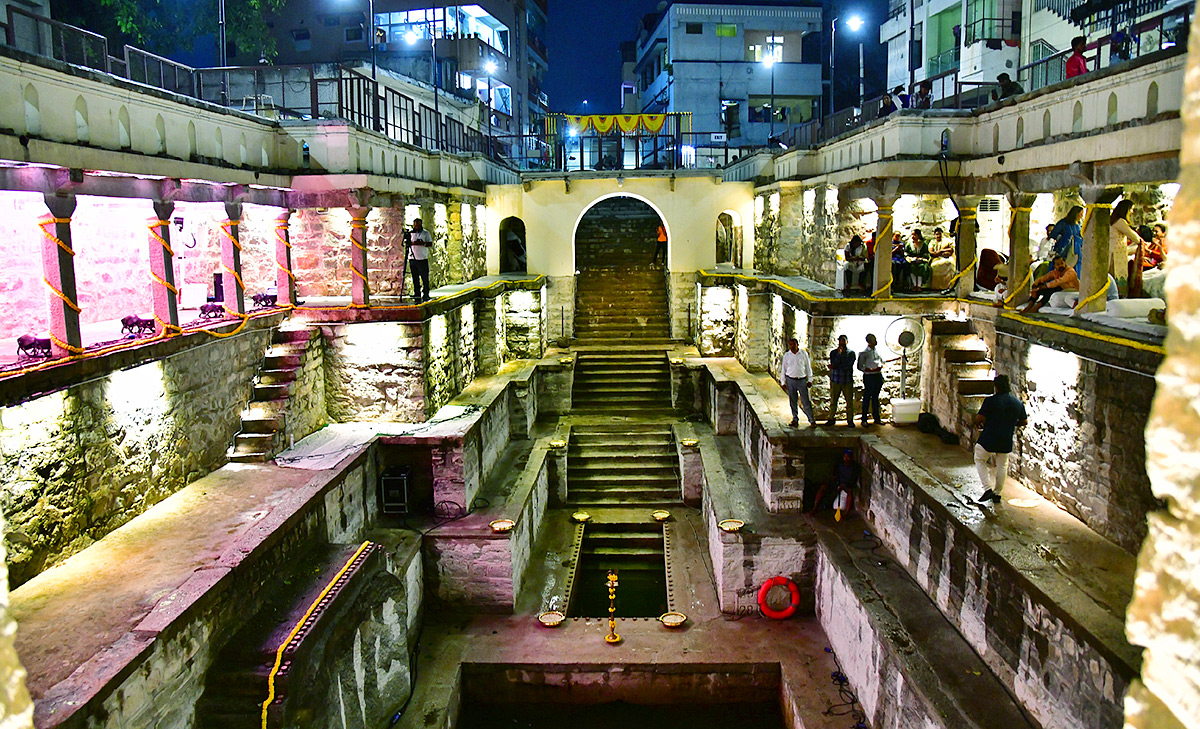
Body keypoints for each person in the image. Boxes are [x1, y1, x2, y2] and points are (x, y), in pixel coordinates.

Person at [973, 375, 1028, 504]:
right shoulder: (1017, 403)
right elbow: (1024, 421)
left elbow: (980, 418)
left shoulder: (991, 401)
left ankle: (987, 489)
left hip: (989, 437)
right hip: (1006, 437)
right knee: (1002, 465)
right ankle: (997, 493)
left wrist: (979, 423)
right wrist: (1010, 423)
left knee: (979, 458)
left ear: (996, 387)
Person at [808, 449, 859, 519]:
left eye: (848, 457)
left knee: (849, 492)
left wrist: (844, 485)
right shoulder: (840, 464)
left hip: (847, 485)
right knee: (823, 487)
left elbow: (853, 481)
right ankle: (815, 507)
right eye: (845, 457)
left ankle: (846, 513)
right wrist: (834, 482)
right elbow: (835, 475)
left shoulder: (854, 467)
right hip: (838, 482)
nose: (846, 459)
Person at [1110, 199, 1143, 297]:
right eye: (1131, 209)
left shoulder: (1114, 220)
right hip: (1115, 253)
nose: (1132, 212)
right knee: (1115, 275)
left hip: (1114, 251)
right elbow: (1133, 236)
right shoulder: (1120, 221)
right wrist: (1141, 241)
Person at [780, 338, 815, 428]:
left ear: (797, 345)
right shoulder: (787, 356)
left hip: (801, 380)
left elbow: (808, 367)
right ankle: (795, 418)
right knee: (793, 400)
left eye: (794, 344)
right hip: (790, 379)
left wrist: (810, 379)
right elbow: (783, 369)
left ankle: (811, 420)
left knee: (805, 400)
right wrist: (783, 381)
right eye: (790, 344)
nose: (792, 346)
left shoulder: (803, 354)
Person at [827, 335, 856, 426]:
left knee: (849, 402)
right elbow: (834, 363)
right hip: (836, 380)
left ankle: (850, 420)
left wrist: (836, 366)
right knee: (833, 401)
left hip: (847, 380)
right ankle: (831, 418)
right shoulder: (834, 353)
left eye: (843, 341)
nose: (841, 343)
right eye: (840, 341)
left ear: (847, 342)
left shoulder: (851, 353)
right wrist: (839, 355)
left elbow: (848, 365)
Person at [856, 333, 885, 426]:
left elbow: (881, 360)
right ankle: (864, 419)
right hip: (869, 376)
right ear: (869, 342)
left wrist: (880, 366)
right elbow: (859, 366)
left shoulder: (877, 351)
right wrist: (867, 369)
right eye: (873, 340)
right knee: (867, 397)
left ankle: (877, 418)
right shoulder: (864, 352)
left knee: (876, 398)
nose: (875, 342)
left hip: (877, 375)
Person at [1050, 206, 1084, 276]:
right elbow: (1053, 234)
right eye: (1080, 214)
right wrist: (1062, 238)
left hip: (1077, 250)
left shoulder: (1079, 225)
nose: (1081, 216)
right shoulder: (1064, 223)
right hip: (1064, 249)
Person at [407, 217, 433, 302]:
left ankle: (426, 293)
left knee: (424, 277)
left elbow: (430, 243)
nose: (416, 226)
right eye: (415, 225)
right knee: (415, 277)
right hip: (412, 258)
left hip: (422, 258)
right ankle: (417, 293)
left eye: (418, 224)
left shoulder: (426, 233)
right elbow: (406, 244)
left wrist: (422, 243)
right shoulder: (410, 234)